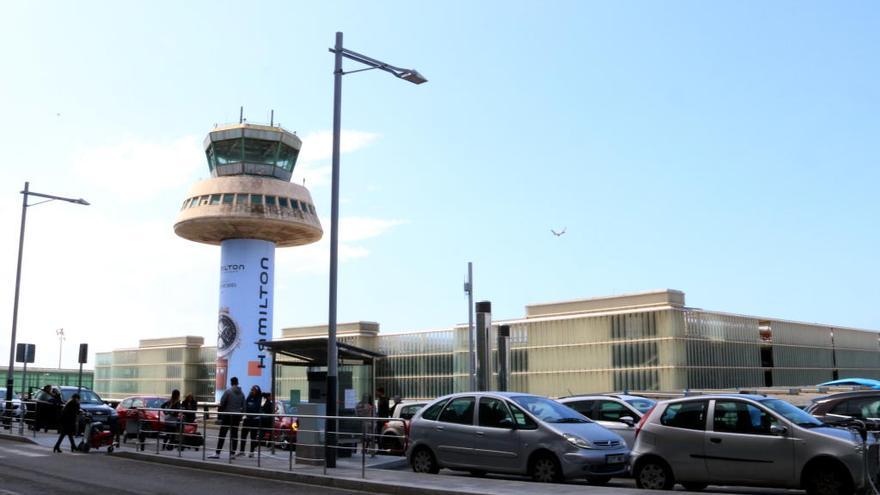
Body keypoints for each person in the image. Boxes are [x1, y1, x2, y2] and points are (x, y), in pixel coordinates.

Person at [208, 376, 244, 459]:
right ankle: (232, 454)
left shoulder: (228, 391)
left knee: (222, 434)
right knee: (234, 435)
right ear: (237, 383)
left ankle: (217, 453)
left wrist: (223, 409)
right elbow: (244, 406)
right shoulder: (242, 393)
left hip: (227, 415)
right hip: (237, 416)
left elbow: (222, 402)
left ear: (231, 383)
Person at [238, 385, 262, 457]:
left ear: (257, 391)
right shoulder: (249, 396)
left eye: (253, 390)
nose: (252, 391)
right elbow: (245, 405)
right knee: (243, 435)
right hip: (247, 419)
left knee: (253, 437)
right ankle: (242, 451)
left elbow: (255, 408)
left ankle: (252, 452)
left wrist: (249, 406)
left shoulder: (258, 398)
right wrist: (248, 406)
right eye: (251, 390)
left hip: (255, 420)